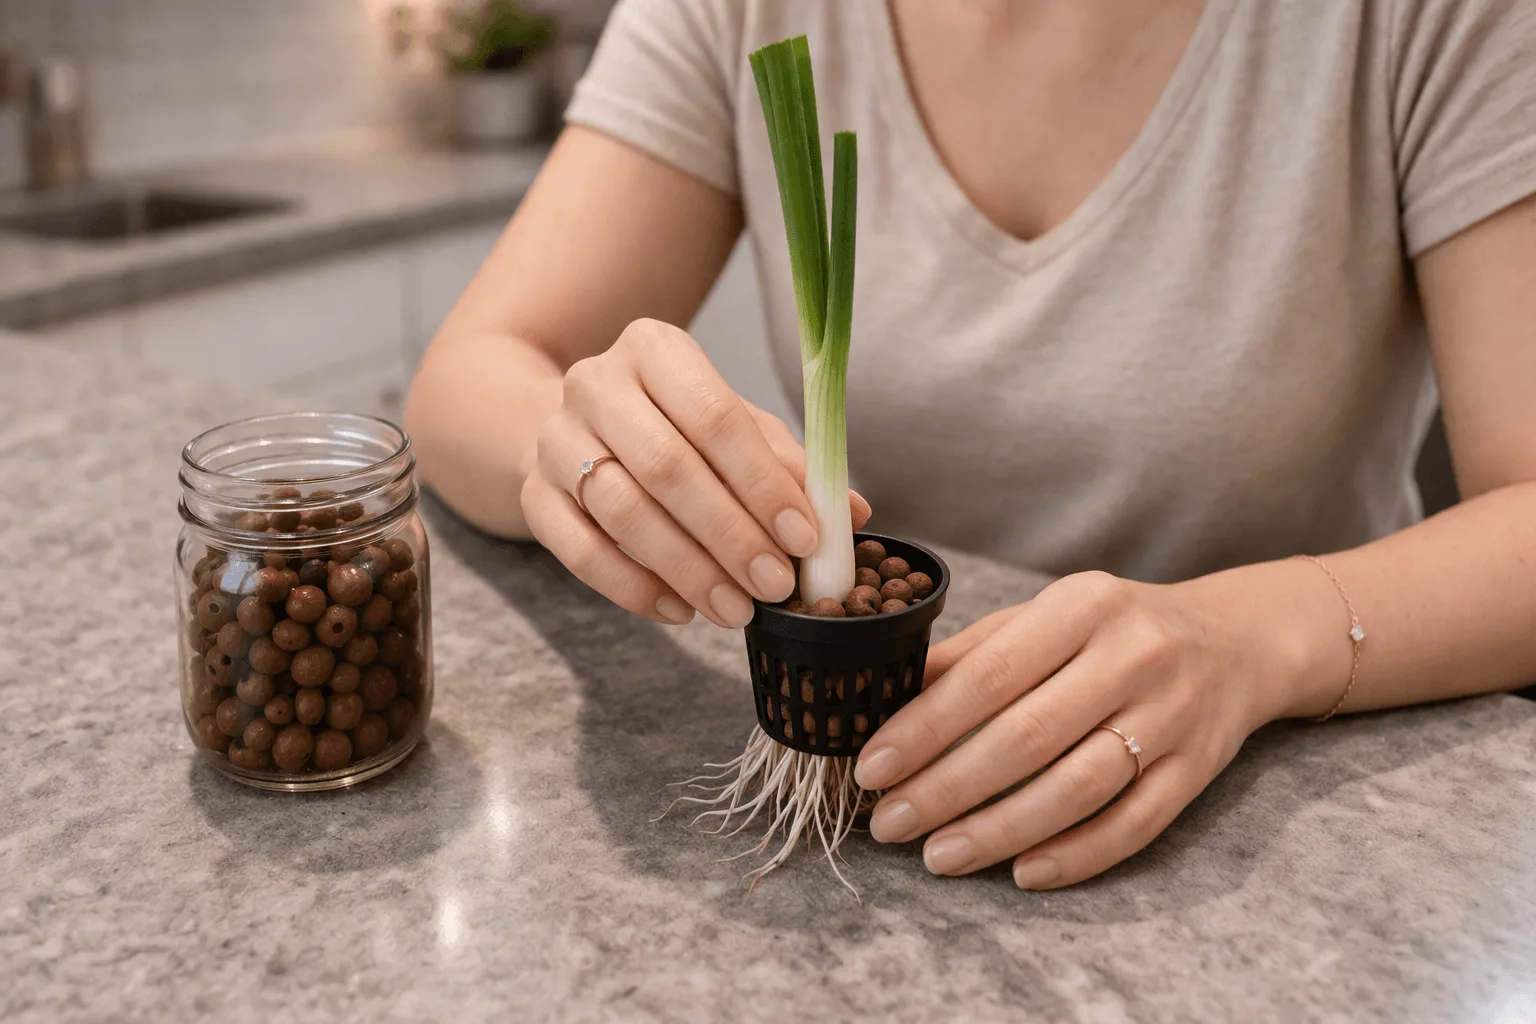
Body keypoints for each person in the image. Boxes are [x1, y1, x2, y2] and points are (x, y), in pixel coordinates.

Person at [404, 0, 1536, 890]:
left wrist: (1249, 640)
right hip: (867, 800)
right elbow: (469, 376)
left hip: (1313, 816)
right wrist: (585, 449)